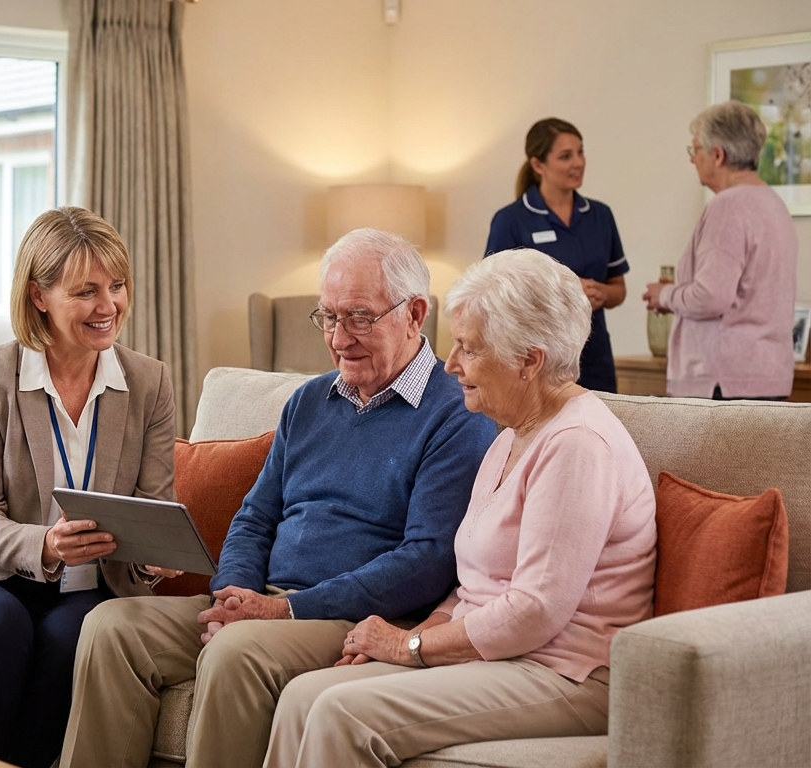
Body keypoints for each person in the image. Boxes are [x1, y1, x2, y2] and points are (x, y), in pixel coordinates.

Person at [60, 229, 497, 768]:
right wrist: (235, 591)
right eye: (328, 317)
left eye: (359, 316)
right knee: (111, 628)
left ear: (415, 314)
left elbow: (427, 561)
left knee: (235, 651)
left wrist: (284, 609)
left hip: (355, 617)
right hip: (266, 600)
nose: (340, 338)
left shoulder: (456, 413)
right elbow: (255, 515)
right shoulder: (310, 400)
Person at [264, 249, 657, 768]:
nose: (450, 365)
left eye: (469, 350)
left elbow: (535, 612)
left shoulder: (578, 444)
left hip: (563, 673)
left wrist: (408, 649)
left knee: (343, 711)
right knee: (301, 696)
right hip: (501, 657)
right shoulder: (511, 436)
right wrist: (410, 634)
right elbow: (472, 584)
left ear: (529, 361)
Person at [0, 207, 179, 767]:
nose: (109, 306)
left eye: (117, 286)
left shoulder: (150, 382)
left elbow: (150, 508)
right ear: (38, 295)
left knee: (78, 634)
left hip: (86, 588)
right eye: (86, 292)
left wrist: (155, 556)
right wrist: (47, 545)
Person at [642, 101, 798, 400]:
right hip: (767, 376)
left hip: (725, 381)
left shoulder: (727, 206)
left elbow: (712, 297)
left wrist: (665, 295)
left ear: (718, 155)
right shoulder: (773, 204)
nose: (692, 160)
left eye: (695, 149)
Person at [486, 118, 628, 393]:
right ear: (538, 165)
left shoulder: (600, 215)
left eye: (580, 152)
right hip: (536, 361)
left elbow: (618, 289)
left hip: (595, 359)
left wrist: (602, 293)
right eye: (566, 156)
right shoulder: (510, 220)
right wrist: (568, 294)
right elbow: (494, 296)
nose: (578, 162)